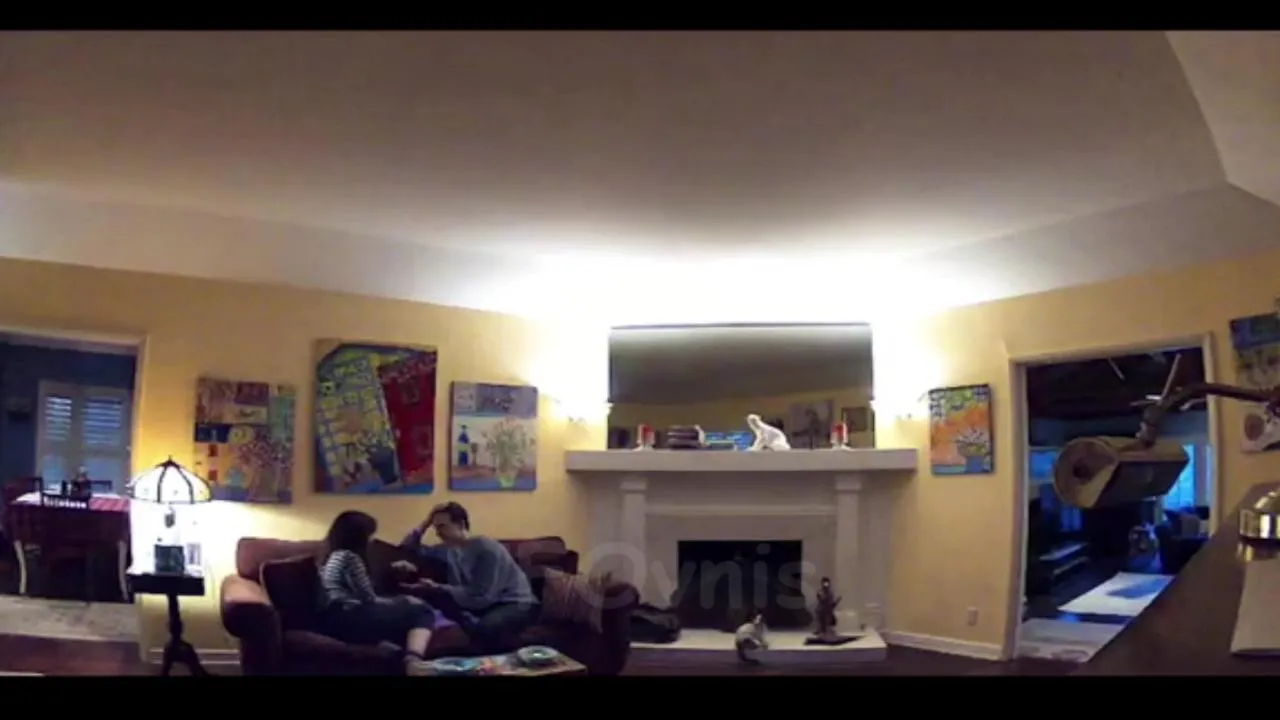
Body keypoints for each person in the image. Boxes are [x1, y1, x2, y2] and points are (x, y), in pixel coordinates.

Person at [316, 510, 444, 675]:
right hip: (348, 616)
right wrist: (401, 601)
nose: (371, 540)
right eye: (369, 535)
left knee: (402, 614)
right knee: (422, 610)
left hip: (333, 618)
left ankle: (394, 653)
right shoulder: (350, 557)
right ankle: (414, 662)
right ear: (358, 537)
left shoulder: (331, 556)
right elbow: (368, 598)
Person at [398, 501, 539, 652]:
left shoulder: (486, 548)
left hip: (516, 603)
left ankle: (520, 654)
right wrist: (426, 522)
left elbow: (482, 596)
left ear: (460, 524)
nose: (438, 533)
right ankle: (470, 623)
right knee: (434, 597)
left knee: (486, 628)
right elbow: (406, 548)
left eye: (442, 526)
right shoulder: (447, 550)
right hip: (485, 603)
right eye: (436, 528)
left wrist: (438, 587)